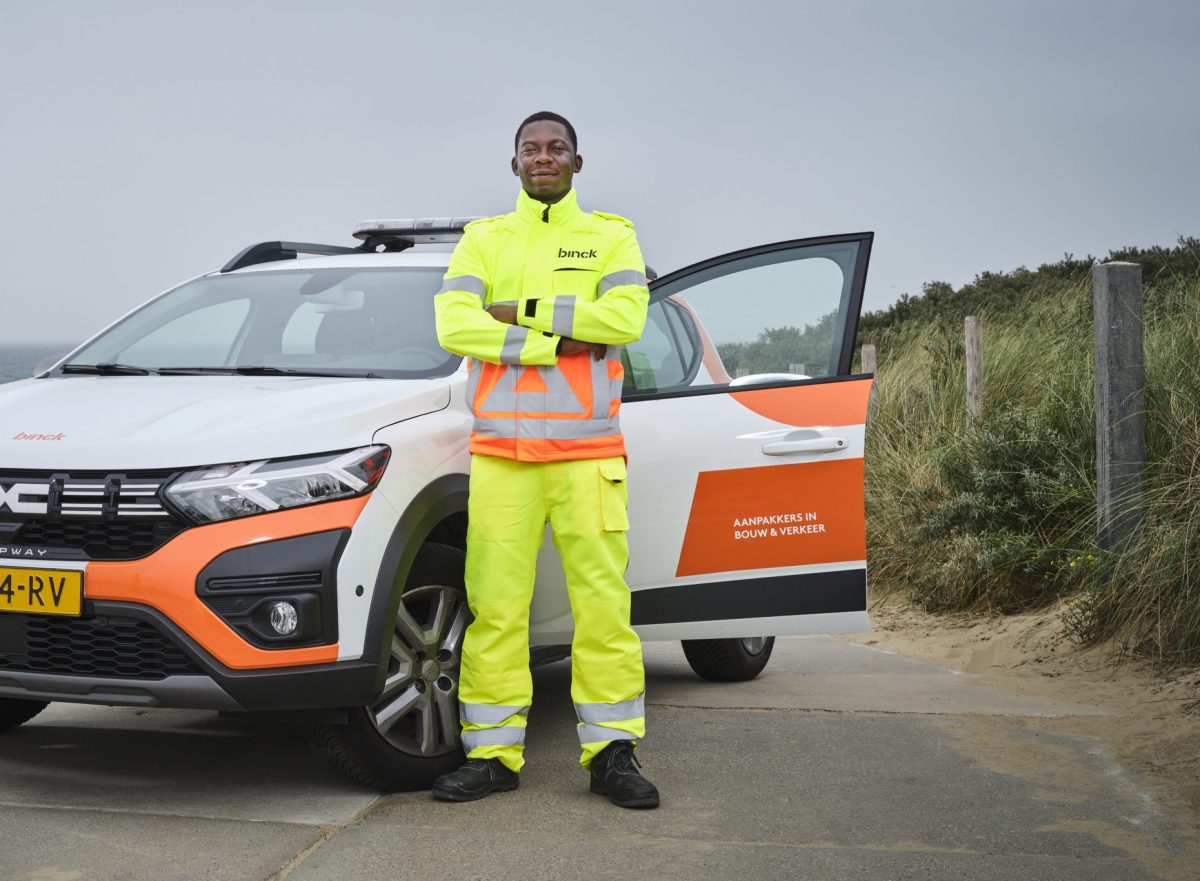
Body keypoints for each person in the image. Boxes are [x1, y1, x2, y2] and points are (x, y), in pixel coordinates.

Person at [432, 111, 659, 809]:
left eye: (556, 147)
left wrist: (522, 311)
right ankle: (492, 754)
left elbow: (625, 318)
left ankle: (613, 753)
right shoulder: (483, 239)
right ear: (514, 164)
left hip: (588, 456)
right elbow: (453, 323)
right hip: (503, 457)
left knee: (603, 609)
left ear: (577, 162)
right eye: (531, 148)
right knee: (497, 611)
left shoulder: (611, 234)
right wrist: (552, 340)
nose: (543, 156)